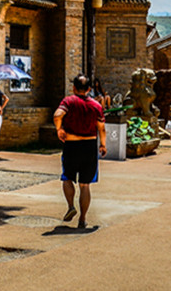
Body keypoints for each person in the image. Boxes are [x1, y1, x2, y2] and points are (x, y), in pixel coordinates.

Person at [54, 75, 107, 229]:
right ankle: (83, 219)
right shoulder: (96, 105)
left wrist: (59, 129)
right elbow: (101, 128)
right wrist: (103, 145)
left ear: (74, 88)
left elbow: (57, 115)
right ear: (89, 89)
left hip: (71, 144)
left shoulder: (69, 102)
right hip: (89, 146)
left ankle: (71, 206)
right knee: (85, 185)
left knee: (67, 178)